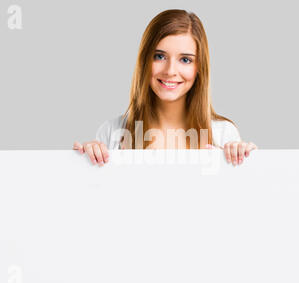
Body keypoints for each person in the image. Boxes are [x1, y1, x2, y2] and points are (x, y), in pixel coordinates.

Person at [73, 9, 257, 166]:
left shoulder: (223, 134)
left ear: (199, 68)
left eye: (185, 60)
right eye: (159, 56)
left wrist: (245, 162)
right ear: (145, 60)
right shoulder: (112, 132)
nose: (170, 71)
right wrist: (84, 164)